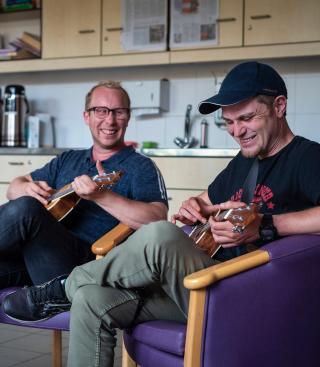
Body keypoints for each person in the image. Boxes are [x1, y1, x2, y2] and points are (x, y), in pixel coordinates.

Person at [3, 61, 320, 367]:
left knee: (159, 232)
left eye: (247, 118)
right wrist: (198, 208)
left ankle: (62, 288)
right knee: (90, 299)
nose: (237, 131)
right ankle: (73, 289)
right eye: (229, 122)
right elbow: (204, 201)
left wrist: (266, 225)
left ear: (279, 106)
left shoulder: (307, 158)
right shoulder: (244, 162)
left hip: (248, 295)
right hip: (203, 284)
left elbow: (259, 224)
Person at [0, 81, 168, 289]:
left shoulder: (141, 166)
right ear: (86, 116)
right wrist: (25, 188)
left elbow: (157, 220)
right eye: (101, 111)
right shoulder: (68, 159)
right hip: (34, 258)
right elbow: (13, 188)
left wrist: (101, 196)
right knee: (24, 203)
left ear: (128, 117)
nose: (110, 120)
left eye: (119, 112)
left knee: (27, 208)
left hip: (83, 268)